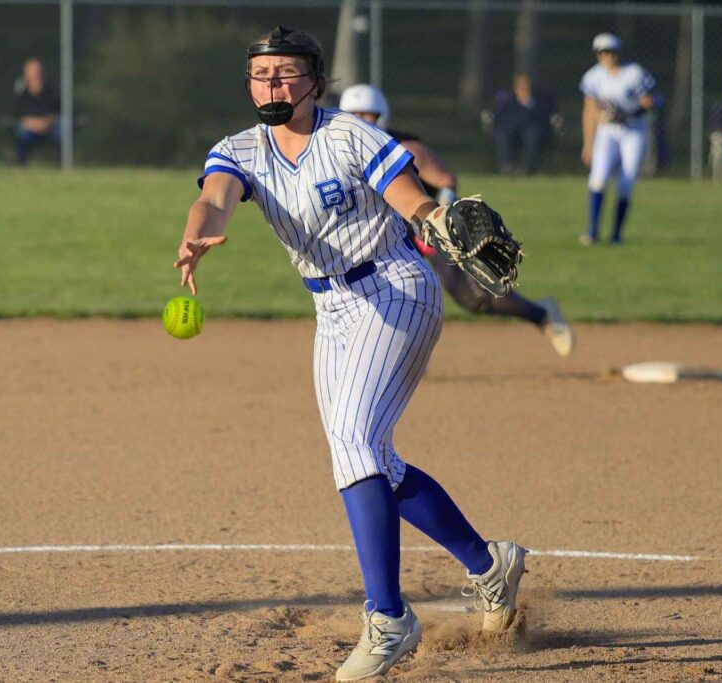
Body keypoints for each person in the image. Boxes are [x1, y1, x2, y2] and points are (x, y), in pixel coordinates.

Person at [174, 27, 527, 681]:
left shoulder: (351, 136)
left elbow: (410, 197)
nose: (271, 84)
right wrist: (198, 234)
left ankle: (388, 618)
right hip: (330, 308)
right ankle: (489, 563)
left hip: (394, 287)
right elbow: (213, 198)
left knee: (356, 443)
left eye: (285, 73)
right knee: (369, 455)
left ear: (314, 81)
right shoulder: (240, 150)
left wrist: (433, 217)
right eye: (261, 73)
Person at [340, 83, 573, 357]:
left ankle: (541, 314)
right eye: (355, 115)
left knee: (476, 298)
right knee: (376, 293)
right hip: (385, 234)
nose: (363, 121)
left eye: (369, 114)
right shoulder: (341, 153)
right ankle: (400, 354)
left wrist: (441, 221)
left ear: (383, 115)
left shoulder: (400, 146)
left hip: (425, 229)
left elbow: (445, 180)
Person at [579, 32, 656, 245]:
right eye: (603, 52)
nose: (607, 56)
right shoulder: (594, 76)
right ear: (597, 54)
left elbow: (650, 101)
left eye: (611, 51)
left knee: (626, 182)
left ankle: (616, 234)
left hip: (632, 130)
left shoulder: (634, 72)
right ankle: (592, 231)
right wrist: (588, 142)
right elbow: (590, 111)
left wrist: (629, 111)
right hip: (607, 131)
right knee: (598, 179)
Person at [486, 73, 559, 175]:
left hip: (532, 128)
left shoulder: (539, 101)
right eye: (520, 87)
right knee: (501, 134)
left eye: (526, 86)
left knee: (532, 136)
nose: (523, 89)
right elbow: (498, 116)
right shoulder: (507, 100)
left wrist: (528, 103)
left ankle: (527, 168)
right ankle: (506, 166)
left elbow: (545, 116)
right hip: (510, 129)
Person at [11, 57, 61, 165]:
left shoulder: (51, 90)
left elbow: (57, 110)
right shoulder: (20, 92)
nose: (35, 76)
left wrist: (46, 123)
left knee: (63, 129)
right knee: (22, 133)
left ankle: (64, 164)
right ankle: (20, 164)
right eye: (32, 73)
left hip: (49, 126)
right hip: (28, 127)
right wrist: (31, 123)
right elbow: (16, 113)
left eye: (38, 72)